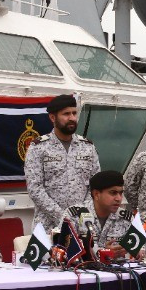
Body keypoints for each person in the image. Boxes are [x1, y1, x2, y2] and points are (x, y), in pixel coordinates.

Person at [24, 94, 100, 233]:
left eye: (74, 113)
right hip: (48, 226)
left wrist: (81, 212)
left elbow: (96, 187)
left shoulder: (88, 147)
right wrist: (63, 216)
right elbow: (35, 189)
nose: (71, 118)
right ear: (53, 118)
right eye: (66, 114)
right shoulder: (38, 147)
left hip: (81, 224)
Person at [63, 170, 138, 260]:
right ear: (96, 194)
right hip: (83, 272)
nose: (118, 198)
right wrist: (102, 253)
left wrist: (138, 253)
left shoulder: (126, 218)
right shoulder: (74, 216)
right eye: (113, 193)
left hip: (119, 272)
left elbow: (141, 249)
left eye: (121, 193)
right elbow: (65, 251)